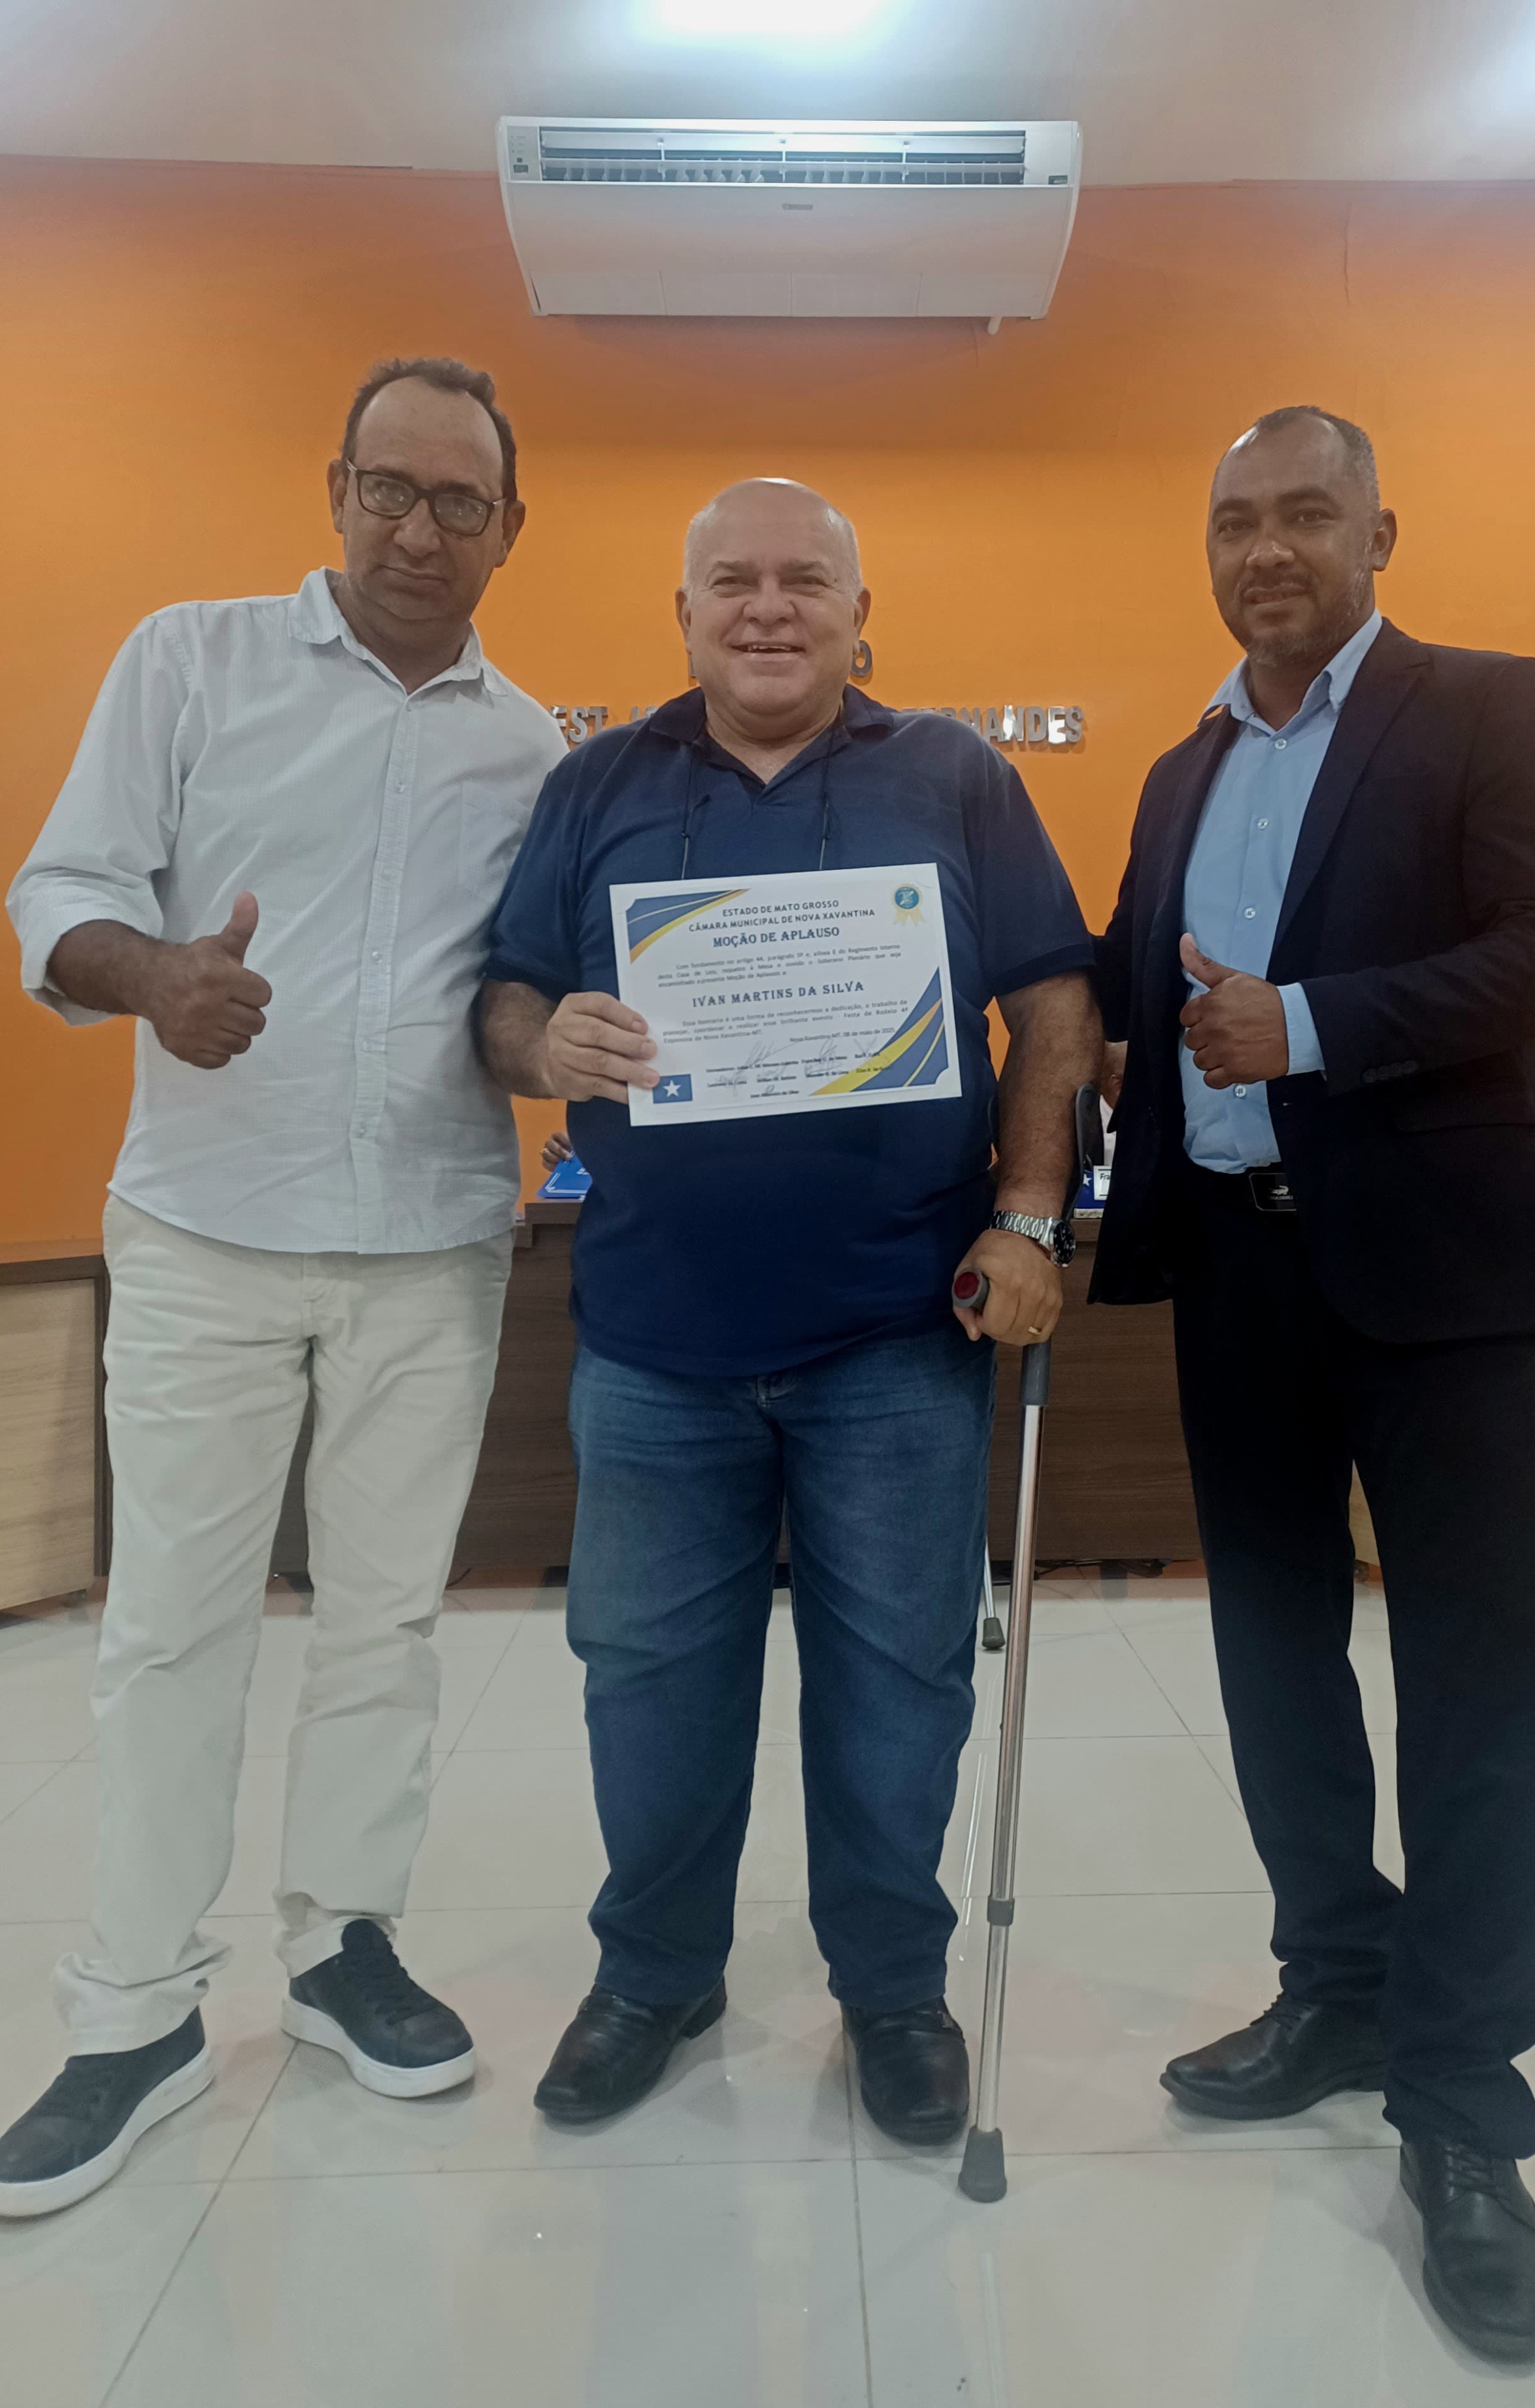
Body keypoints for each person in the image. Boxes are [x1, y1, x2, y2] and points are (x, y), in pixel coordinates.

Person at [0, 357, 565, 2217]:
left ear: (507, 530)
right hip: (207, 1233)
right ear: (336, 491)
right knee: (173, 1625)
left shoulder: (532, 749)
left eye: (458, 501)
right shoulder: (190, 660)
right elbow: (57, 892)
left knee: (386, 1623)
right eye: (388, 488)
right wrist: (156, 978)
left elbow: (523, 988)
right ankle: (135, 2007)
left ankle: (342, 1946)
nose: (418, 528)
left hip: (432, 1244)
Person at [478, 478, 1100, 2145]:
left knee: (900, 1680)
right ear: (682, 614)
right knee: (646, 1679)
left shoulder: (954, 774)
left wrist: (1027, 1215)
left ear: (857, 615)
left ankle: (891, 1991)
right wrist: (543, 1044)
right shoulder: (596, 781)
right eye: (733, 582)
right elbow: (506, 997)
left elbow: (1051, 1001)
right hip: (653, 1339)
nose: (768, 608)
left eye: (804, 581)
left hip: (896, 1332)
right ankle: (654, 1973)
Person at [1092, 407, 1535, 2366]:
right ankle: (1334, 1978)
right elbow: (1125, 988)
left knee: (1470, 1687)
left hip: (1439, 1280)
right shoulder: (1179, 769)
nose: (1264, 549)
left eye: (1303, 513)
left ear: (1377, 531)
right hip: (1235, 1278)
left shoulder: (1487, 705)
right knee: (1270, 1657)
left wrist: (1303, 1024)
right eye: (1232, 520)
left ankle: (1460, 2104)